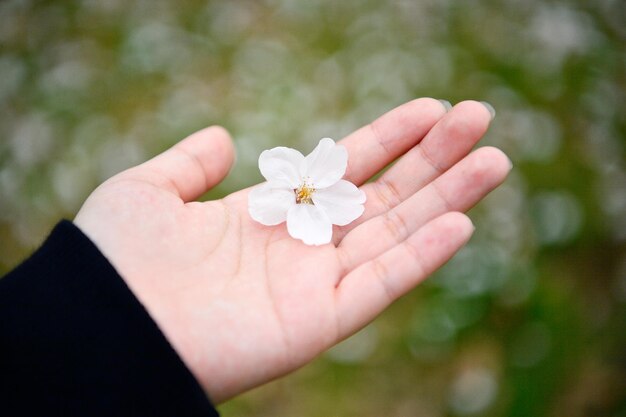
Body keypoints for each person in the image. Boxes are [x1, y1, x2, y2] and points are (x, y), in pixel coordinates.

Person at [0, 98, 511, 416]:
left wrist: (81, 290)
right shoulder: (281, 194)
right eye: (305, 191)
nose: (306, 192)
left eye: (308, 191)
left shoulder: (321, 190)